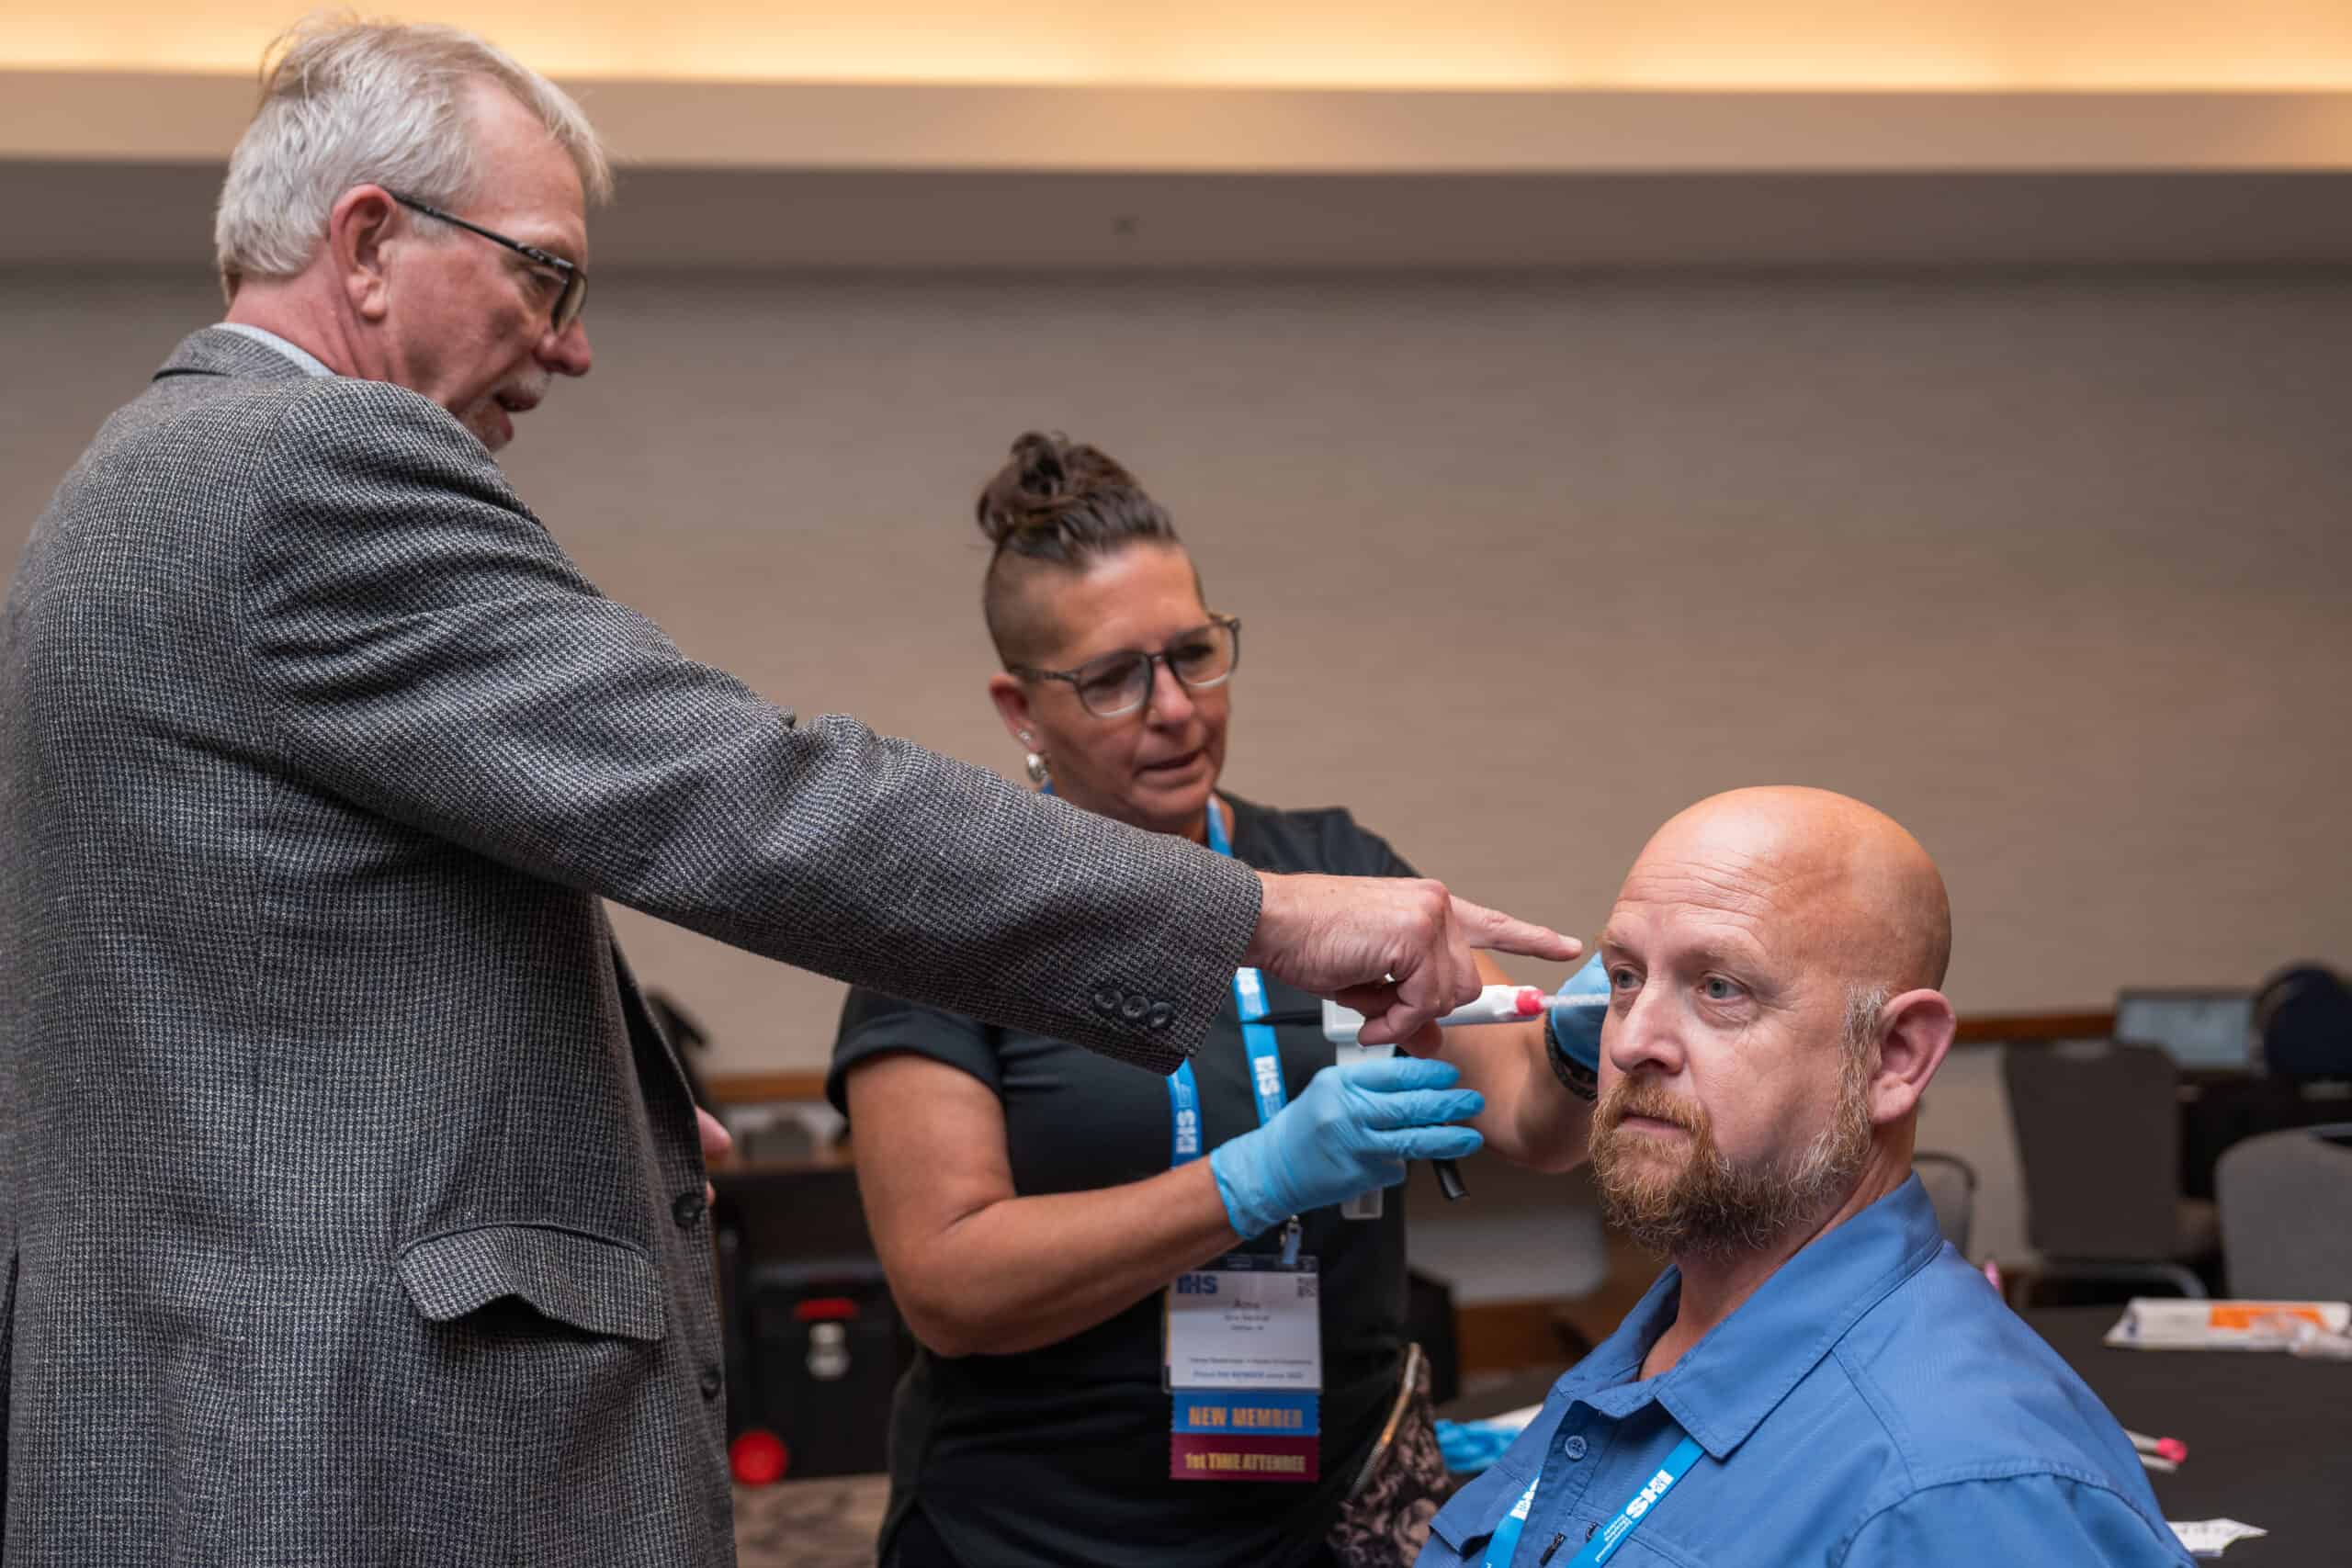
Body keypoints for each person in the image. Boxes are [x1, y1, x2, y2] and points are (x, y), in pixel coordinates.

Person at [0, 23, 1578, 1565]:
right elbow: (752, 801)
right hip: (328, 1449)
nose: (570, 344)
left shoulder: (160, 481)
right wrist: (1272, 917)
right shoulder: (297, 469)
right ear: (365, 244)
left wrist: (589, 1116)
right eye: (545, 273)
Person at [830, 433, 1606, 1568]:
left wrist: (1585, 1042)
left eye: (1194, 653)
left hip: (1326, 1517)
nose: (1176, 709)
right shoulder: (946, 919)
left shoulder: (1335, 866)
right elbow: (950, 1286)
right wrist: (1250, 1181)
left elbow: (1532, 1123)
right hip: (1035, 1534)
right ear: (1018, 707)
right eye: (1111, 678)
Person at [1418, 788, 2197, 1568]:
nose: (1629, 1044)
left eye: (1720, 988)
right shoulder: (1663, 1343)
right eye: (1625, 977)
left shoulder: (1953, 1490)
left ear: (1894, 1058)